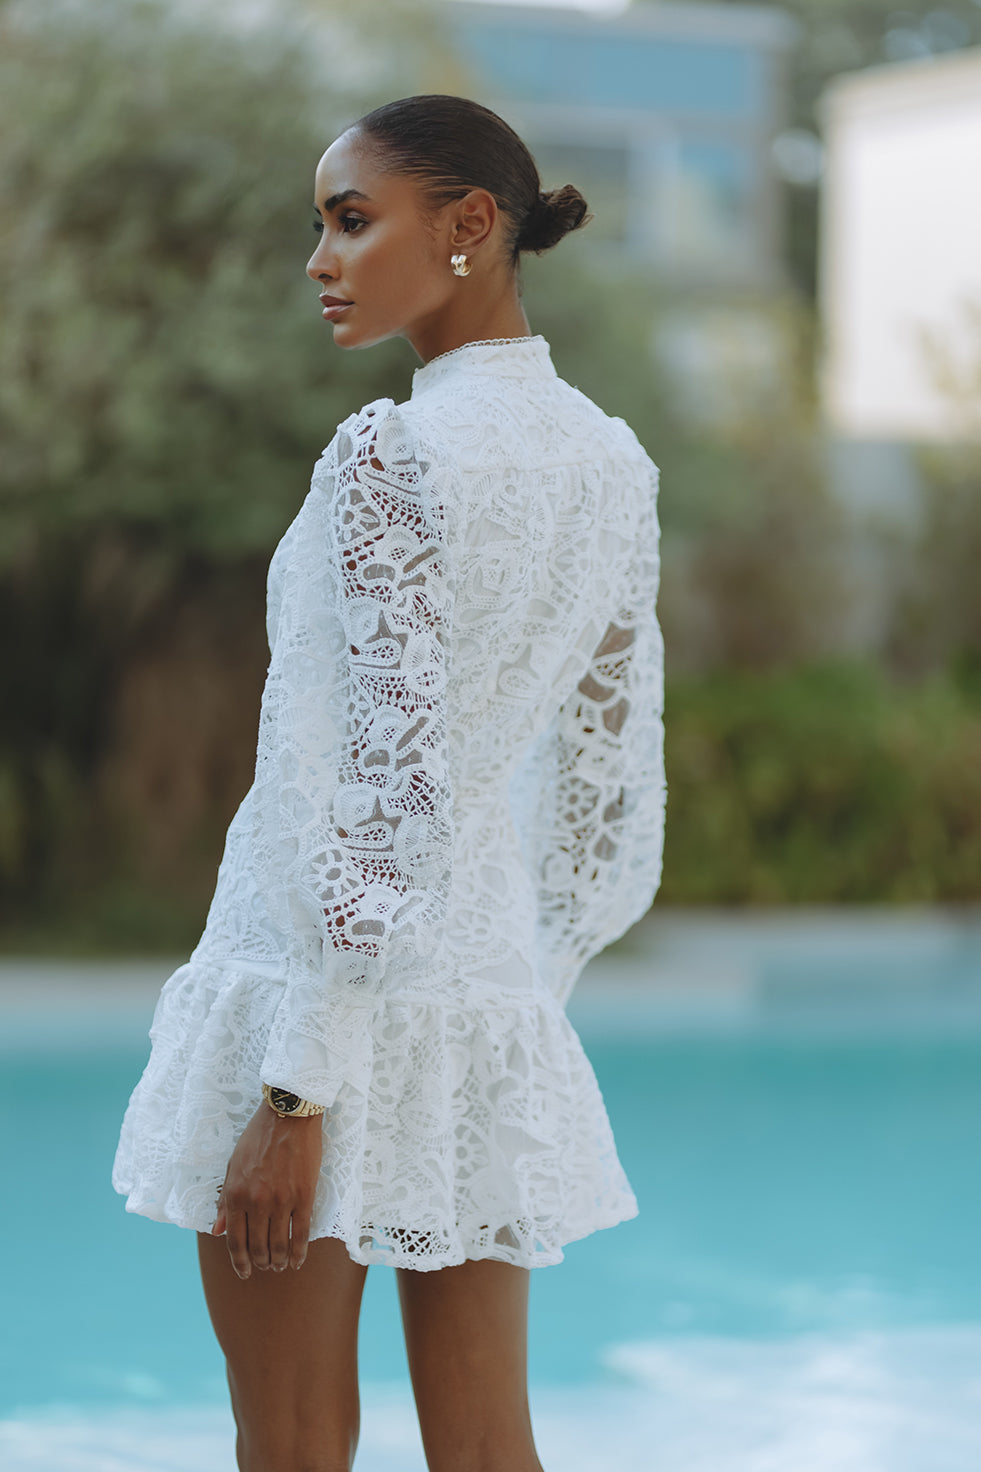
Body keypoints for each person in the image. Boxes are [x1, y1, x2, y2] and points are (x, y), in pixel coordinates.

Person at [112, 93, 665, 1472]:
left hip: (310, 1012)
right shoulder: (611, 463)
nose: (320, 260)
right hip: (482, 1006)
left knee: (292, 1445)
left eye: (352, 221)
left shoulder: (391, 454)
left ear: (469, 223)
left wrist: (297, 1093)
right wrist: (523, 994)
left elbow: (371, 782)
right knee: (489, 1450)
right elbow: (603, 786)